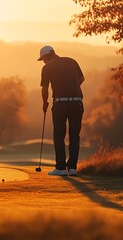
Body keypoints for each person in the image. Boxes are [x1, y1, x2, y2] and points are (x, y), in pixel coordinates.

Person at [38, 45, 84, 176]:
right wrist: (71, 87)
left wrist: (44, 103)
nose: (43, 61)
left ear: (46, 56)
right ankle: (73, 168)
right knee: (74, 136)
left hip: (60, 103)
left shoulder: (47, 67)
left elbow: (45, 89)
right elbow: (81, 79)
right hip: (77, 102)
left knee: (59, 135)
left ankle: (61, 168)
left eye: (43, 59)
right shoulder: (71, 61)